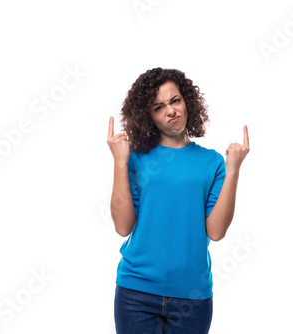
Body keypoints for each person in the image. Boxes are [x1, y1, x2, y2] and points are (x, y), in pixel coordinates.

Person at [107, 67, 249, 333]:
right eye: (158, 107)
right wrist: (119, 161)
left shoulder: (213, 162)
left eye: (175, 101)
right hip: (135, 292)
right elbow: (122, 227)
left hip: (192, 296)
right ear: (148, 117)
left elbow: (216, 232)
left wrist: (233, 170)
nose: (170, 111)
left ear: (187, 102)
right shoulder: (136, 159)